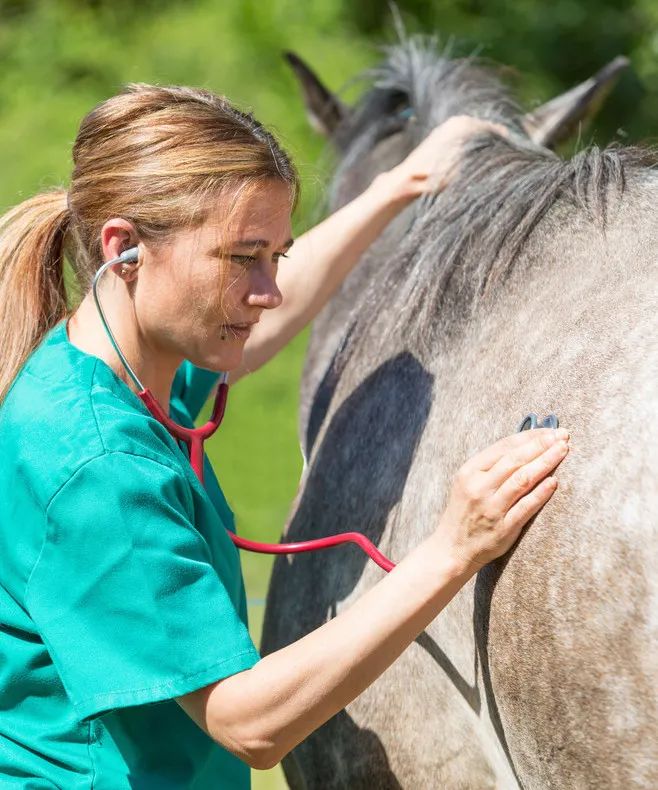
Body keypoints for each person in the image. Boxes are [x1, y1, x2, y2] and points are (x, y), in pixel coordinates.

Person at [0, 84, 570, 788]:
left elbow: (260, 319)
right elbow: (249, 723)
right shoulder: (94, 463)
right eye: (244, 258)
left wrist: (398, 186)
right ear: (124, 250)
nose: (268, 290)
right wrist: (454, 549)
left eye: (278, 254)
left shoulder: (116, 371)